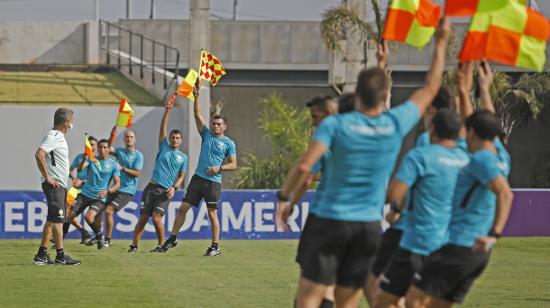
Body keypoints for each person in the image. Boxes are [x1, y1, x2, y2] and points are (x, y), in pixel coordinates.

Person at [275, 18, 452, 308]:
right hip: (368, 226)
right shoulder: (394, 124)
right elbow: (430, 88)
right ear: (384, 96)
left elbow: (306, 167)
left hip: (329, 220)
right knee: (348, 301)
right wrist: (441, 42)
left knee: (308, 298)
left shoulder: (335, 125)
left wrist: (285, 198)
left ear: (356, 93)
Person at [405, 62, 513, 308]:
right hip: (476, 254)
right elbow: (488, 122)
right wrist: (482, 89)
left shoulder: (481, 159)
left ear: (471, 132)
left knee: (412, 301)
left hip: (459, 246)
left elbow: (505, 194)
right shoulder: (500, 155)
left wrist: (494, 234)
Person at [374, 109, 469, 308]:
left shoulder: (420, 156)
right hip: (451, 244)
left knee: (385, 299)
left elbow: (395, 193)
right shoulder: (466, 158)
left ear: (432, 129)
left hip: (419, 242)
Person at [160, 86, 237, 257]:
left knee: (212, 214)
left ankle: (215, 246)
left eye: (219, 124)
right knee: (182, 208)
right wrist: (196, 98)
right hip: (198, 178)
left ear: (224, 126)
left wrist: (220, 168)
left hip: (213, 181)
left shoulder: (229, 143)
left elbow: (233, 164)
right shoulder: (207, 135)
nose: (215, 126)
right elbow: (197, 116)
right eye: (214, 124)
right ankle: (172, 238)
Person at [128, 96, 187, 253]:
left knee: (156, 218)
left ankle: (161, 245)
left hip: (165, 191)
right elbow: (163, 128)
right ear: (169, 139)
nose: (174, 140)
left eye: (177, 138)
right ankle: (134, 245)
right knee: (142, 218)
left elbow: (182, 175)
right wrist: (167, 111)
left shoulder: (183, 157)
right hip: (150, 187)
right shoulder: (164, 147)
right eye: (172, 137)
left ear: (181, 140)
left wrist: (175, 187)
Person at [33, 107, 81, 265]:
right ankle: (60, 256)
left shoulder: (58, 137)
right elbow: (39, 154)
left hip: (60, 184)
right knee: (58, 221)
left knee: (52, 220)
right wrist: (48, 178)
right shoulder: (54, 136)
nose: (72, 125)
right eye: (71, 122)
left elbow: (58, 163)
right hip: (55, 186)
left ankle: (42, 254)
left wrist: (71, 176)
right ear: (66, 123)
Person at [65, 139, 120, 249]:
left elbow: (117, 184)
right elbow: (80, 169)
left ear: (109, 149)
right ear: (97, 149)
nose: (102, 150)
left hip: (99, 197)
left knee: (89, 217)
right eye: (100, 147)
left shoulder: (113, 165)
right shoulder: (91, 160)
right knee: (69, 216)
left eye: (105, 147)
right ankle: (94, 236)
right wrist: (83, 160)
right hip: (84, 194)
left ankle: (99, 237)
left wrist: (107, 191)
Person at [96, 129, 144, 247]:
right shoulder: (119, 151)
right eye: (127, 137)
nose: (129, 139)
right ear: (124, 139)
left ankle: (107, 240)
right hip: (115, 188)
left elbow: (137, 173)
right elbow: (107, 148)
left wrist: (122, 169)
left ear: (135, 139)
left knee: (108, 211)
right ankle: (99, 237)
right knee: (97, 210)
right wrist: (112, 136)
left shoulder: (138, 155)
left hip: (127, 190)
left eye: (131, 137)